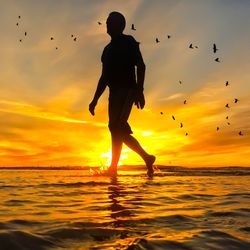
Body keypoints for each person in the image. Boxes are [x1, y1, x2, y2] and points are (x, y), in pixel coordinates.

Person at [89, 11, 155, 177]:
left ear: (120, 25)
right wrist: (94, 100)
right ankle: (146, 158)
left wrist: (139, 90)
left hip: (128, 90)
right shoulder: (107, 50)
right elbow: (104, 77)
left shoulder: (129, 42)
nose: (107, 24)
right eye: (107, 21)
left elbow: (141, 65)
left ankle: (114, 168)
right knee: (114, 128)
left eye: (110, 21)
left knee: (117, 126)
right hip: (114, 93)